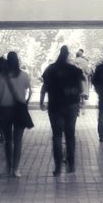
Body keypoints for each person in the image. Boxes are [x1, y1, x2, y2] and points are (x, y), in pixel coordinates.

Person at [39, 45, 86, 175]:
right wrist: (79, 101)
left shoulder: (50, 69)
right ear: (68, 55)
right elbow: (81, 90)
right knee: (70, 135)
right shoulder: (74, 70)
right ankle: (71, 164)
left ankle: (58, 166)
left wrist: (41, 101)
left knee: (57, 136)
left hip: (55, 106)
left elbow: (44, 87)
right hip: (71, 106)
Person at [0, 51, 34, 177]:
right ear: (18, 61)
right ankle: (16, 169)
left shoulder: (1, 76)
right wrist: (25, 101)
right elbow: (29, 90)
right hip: (19, 110)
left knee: (8, 140)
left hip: (5, 110)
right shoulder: (24, 75)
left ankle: (9, 167)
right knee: (18, 140)